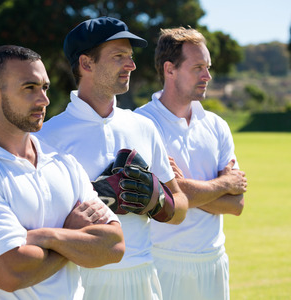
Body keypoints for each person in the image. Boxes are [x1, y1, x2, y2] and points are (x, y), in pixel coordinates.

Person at [0, 45, 125, 299]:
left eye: (45, 87)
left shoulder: (64, 163)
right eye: (29, 87)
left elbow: (113, 246)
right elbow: (10, 273)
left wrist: (46, 236)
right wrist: (73, 235)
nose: (44, 99)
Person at [35, 17, 188, 300]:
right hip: (79, 282)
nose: (131, 65)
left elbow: (180, 207)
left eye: (130, 57)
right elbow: (35, 229)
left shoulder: (143, 127)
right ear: (86, 64)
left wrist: (156, 201)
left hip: (142, 277)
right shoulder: (46, 137)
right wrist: (94, 201)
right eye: (119, 56)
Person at [135, 27, 247, 299]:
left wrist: (178, 188)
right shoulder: (140, 123)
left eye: (207, 67)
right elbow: (157, 201)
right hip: (162, 263)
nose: (207, 76)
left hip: (214, 261)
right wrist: (223, 184)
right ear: (169, 70)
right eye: (198, 67)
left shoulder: (217, 125)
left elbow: (236, 204)